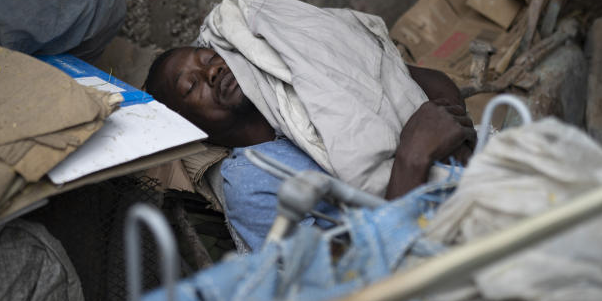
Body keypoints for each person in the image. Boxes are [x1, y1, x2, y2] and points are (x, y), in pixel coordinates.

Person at [144, 44, 476, 250]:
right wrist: (413, 160)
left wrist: (453, 131)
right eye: (192, 85)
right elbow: (346, 283)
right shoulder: (250, 181)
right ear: (190, 128)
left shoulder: (299, 87)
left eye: (210, 59)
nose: (212, 72)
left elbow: (416, 80)